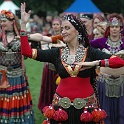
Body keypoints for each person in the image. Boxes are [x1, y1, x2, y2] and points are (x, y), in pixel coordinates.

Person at [20, 3, 124, 124]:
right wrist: (23, 25)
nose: (63, 32)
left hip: (86, 108)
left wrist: (95, 63)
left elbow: (119, 62)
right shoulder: (56, 53)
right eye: (63, 28)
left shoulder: (90, 52)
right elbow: (26, 52)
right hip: (61, 108)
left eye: (67, 28)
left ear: (78, 31)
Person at [0, 10, 34, 123]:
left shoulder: (21, 36)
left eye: (4, 21)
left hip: (17, 76)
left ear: (12, 21)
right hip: (2, 76)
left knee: (15, 100)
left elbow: (29, 51)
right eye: (0, 21)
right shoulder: (0, 37)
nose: (2, 23)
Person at [90, 13, 124, 124]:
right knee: (105, 113)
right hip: (104, 82)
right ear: (109, 28)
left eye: (117, 27)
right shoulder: (101, 42)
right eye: (112, 27)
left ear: (121, 28)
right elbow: (85, 46)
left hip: (122, 83)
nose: (114, 29)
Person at [38, 18, 62, 112]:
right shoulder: (48, 36)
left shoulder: (64, 37)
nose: (55, 26)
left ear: (61, 26)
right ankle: (47, 106)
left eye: (57, 24)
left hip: (60, 68)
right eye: (54, 24)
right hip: (49, 67)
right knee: (47, 87)